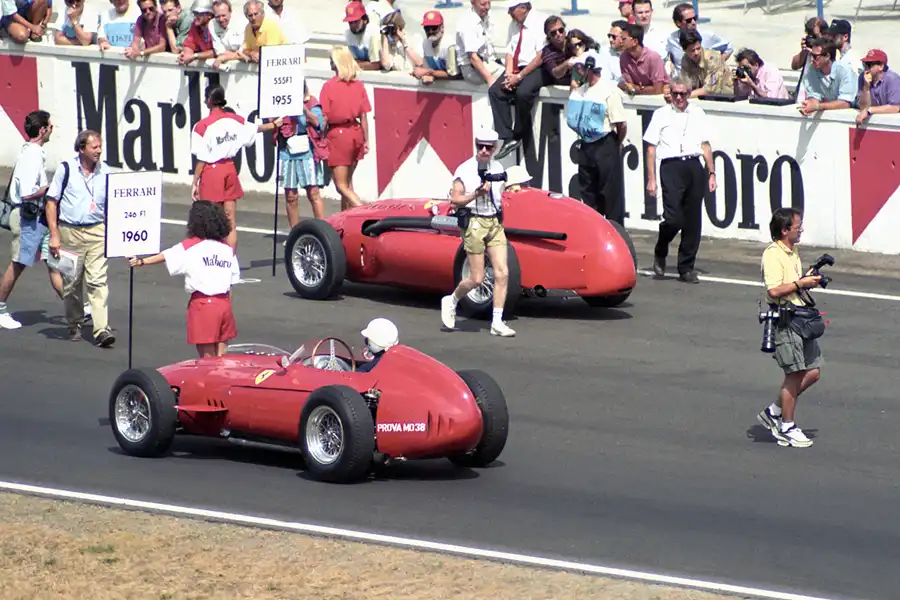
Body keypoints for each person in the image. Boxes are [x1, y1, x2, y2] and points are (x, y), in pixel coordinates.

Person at [128, 201, 239, 358]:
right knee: (222, 358)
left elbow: (166, 255)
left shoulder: (191, 246)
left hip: (203, 305)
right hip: (224, 305)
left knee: (207, 360)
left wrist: (141, 261)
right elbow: (232, 282)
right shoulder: (227, 248)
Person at [756, 208, 823, 448]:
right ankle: (787, 426)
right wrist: (800, 283)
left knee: (813, 372)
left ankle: (774, 411)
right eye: (798, 226)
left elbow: (791, 286)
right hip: (785, 321)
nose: (801, 229)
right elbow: (773, 290)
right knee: (793, 375)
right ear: (785, 230)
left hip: (801, 318)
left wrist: (807, 282)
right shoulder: (773, 254)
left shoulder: (793, 252)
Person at [440, 128, 515, 338]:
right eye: (480, 146)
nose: (483, 150)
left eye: (488, 147)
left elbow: (504, 192)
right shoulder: (465, 170)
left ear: (495, 148)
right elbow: (454, 199)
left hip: (494, 222)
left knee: (502, 272)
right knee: (477, 278)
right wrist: (475, 194)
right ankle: (452, 299)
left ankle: (497, 321)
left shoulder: (498, 167)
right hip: (474, 222)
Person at [45, 129, 115, 346]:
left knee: (97, 281)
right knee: (72, 284)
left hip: (97, 231)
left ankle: (101, 330)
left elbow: (115, 204)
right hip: (70, 232)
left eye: (100, 146)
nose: (99, 151)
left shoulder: (106, 171)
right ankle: (74, 323)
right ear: (82, 148)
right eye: (95, 147)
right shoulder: (66, 169)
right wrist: (54, 235)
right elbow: (51, 202)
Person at [644, 76, 716, 284]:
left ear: (689, 93)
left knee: (693, 219)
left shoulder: (698, 113)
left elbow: (705, 145)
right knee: (674, 217)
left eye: (683, 93)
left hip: (693, 165)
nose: (678, 97)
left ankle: (686, 267)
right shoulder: (661, 114)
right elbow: (651, 148)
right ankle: (662, 245)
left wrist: (711, 172)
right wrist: (651, 179)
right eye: (675, 93)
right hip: (671, 165)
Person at [190, 83, 280, 249]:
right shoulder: (234, 119)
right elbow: (255, 129)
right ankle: (230, 261)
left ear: (209, 100)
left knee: (211, 219)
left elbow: (201, 158)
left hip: (212, 172)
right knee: (230, 219)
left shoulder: (202, 126)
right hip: (230, 169)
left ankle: (214, 258)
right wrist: (275, 125)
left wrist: (195, 181)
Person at [0, 110, 64, 330]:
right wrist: (49, 189)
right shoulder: (32, 155)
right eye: (50, 127)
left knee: (54, 262)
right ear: (42, 129)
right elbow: (28, 193)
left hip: (38, 218)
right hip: (27, 217)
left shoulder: (33, 152)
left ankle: (75, 308)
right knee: (18, 264)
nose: (52, 130)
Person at [566, 49, 628, 225]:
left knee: (610, 192)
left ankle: (616, 231)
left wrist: (618, 142)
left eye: (580, 68)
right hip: (586, 144)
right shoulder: (580, 91)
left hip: (605, 143)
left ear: (590, 68)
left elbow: (621, 124)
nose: (577, 71)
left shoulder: (609, 91)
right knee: (588, 190)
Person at [320, 45, 372, 211]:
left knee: (341, 186)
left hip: (339, 135)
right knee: (348, 183)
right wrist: (366, 139)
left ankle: (363, 211)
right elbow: (364, 116)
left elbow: (325, 118)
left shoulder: (329, 86)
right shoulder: (358, 85)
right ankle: (347, 221)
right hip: (355, 133)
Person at [272, 81, 327, 227]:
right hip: (287, 152)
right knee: (291, 196)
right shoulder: (281, 103)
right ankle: (294, 232)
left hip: (306, 151)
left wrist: (302, 108)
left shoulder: (312, 103)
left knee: (313, 193)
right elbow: (272, 122)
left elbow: (318, 123)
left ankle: (323, 230)